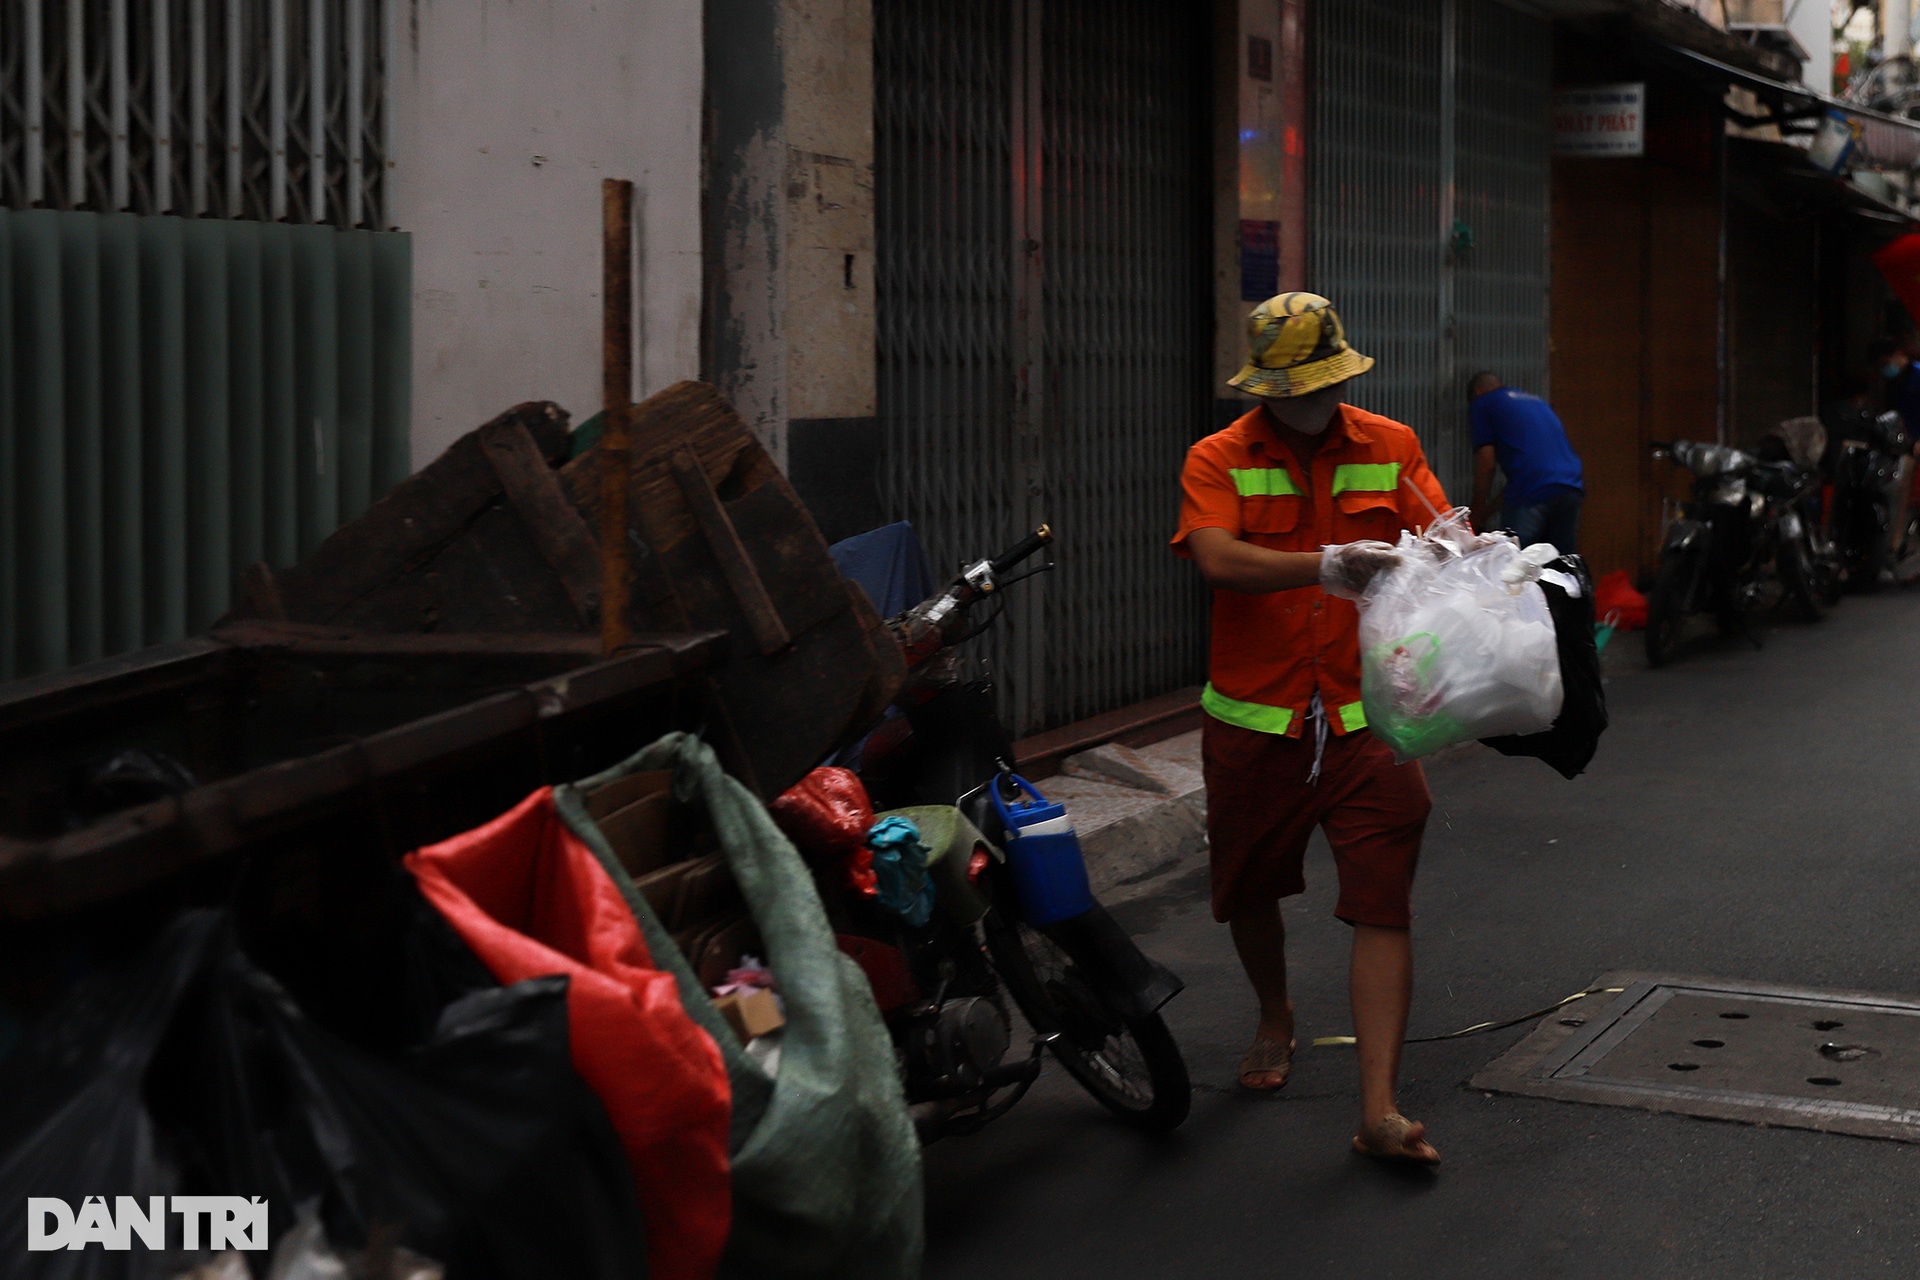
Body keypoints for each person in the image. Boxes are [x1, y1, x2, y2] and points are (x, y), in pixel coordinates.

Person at [1172, 292, 1448, 1166]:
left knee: (1382, 901)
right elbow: (1215, 558)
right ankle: (1275, 1014)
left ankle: (1379, 1110)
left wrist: (1463, 560)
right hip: (1258, 720)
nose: (1311, 403)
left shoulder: (1389, 445)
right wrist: (1327, 566)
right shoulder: (1218, 457)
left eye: (1323, 385)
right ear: (1263, 389)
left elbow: (1441, 533)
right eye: (1294, 390)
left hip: (1369, 718)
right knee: (1250, 887)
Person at [1467, 372, 1584, 553]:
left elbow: (1486, 463)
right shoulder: (1535, 402)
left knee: (1516, 566)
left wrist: (1474, 518)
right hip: (1571, 485)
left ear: (1478, 391)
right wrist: (1487, 513)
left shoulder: (1483, 403)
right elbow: (1531, 473)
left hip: (1532, 490)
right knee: (1561, 567)